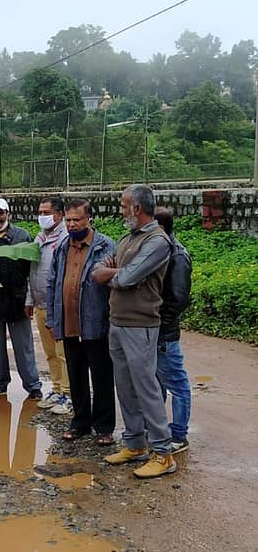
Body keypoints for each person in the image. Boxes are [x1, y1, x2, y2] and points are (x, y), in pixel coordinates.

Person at [93, 184, 176, 479]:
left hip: (141, 326)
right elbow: (100, 269)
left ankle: (163, 453)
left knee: (146, 388)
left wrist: (114, 274)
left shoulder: (158, 241)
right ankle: (135, 444)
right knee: (125, 386)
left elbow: (125, 278)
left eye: (123, 205)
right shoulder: (128, 238)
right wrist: (116, 273)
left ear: (137, 208)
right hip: (117, 322)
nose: (120, 210)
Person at [46, 199, 117, 445]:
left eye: (77, 219)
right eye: (68, 220)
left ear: (89, 219)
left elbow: (114, 285)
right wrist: (53, 318)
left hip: (96, 323)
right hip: (69, 322)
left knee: (102, 375)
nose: (72, 224)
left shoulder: (106, 246)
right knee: (76, 375)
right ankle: (80, 422)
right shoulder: (62, 247)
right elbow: (52, 283)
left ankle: (104, 427)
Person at [0, 198, 42, 401]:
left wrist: (29, 299)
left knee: (24, 346)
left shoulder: (22, 236)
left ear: (8, 214)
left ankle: (33, 385)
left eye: (0, 213)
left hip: (18, 301)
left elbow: (31, 270)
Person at [154, 207, 193, 454]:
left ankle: (178, 434)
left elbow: (179, 299)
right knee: (156, 382)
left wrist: (160, 320)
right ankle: (158, 429)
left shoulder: (177, 256)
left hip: (164, 333)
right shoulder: (161, 251)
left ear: (160, 228)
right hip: (154, 330)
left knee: (177, 383)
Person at [28, 198, 71, 414]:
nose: (42, 216)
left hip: (59, 307)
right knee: (50, 353)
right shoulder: (39, 238)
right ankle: (56, 389)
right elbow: (32, 272)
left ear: (59, 214)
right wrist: (29, 300)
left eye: (47, 212)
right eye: (40, 212)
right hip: (41, 305)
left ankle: (68, 394)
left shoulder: (66, 238)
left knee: (64, 353)